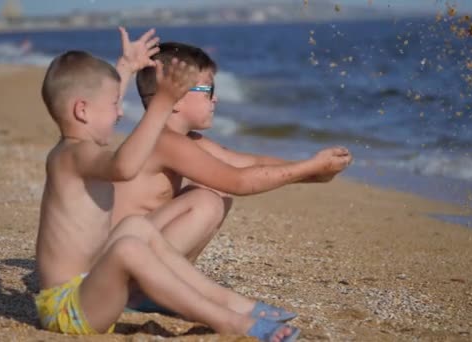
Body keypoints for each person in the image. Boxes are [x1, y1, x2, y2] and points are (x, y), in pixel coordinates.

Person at [34, 28, 301, 341]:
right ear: (82, 110)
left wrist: (126, 66)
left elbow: (98, 99)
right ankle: (228, 321)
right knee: (129, 248)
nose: (121, 112)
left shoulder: (77, 150)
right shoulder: (73, 155)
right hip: (68, 309)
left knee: (137, 228)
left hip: (91, 287)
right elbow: (124, 166)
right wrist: (161, 104)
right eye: (114, 106)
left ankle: (234, 304)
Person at [113, 42, 353, 265]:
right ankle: (148, 286)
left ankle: (170, 276)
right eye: (208, 89)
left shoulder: (183, 139)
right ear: (174, 98)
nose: (215, 98)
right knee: (205, 201)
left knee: (216, 190)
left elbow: (248, 163)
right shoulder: (163, 140)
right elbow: (239, 181)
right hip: (110, 257)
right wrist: (310, 167)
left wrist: (314, 170)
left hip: (129, 245)